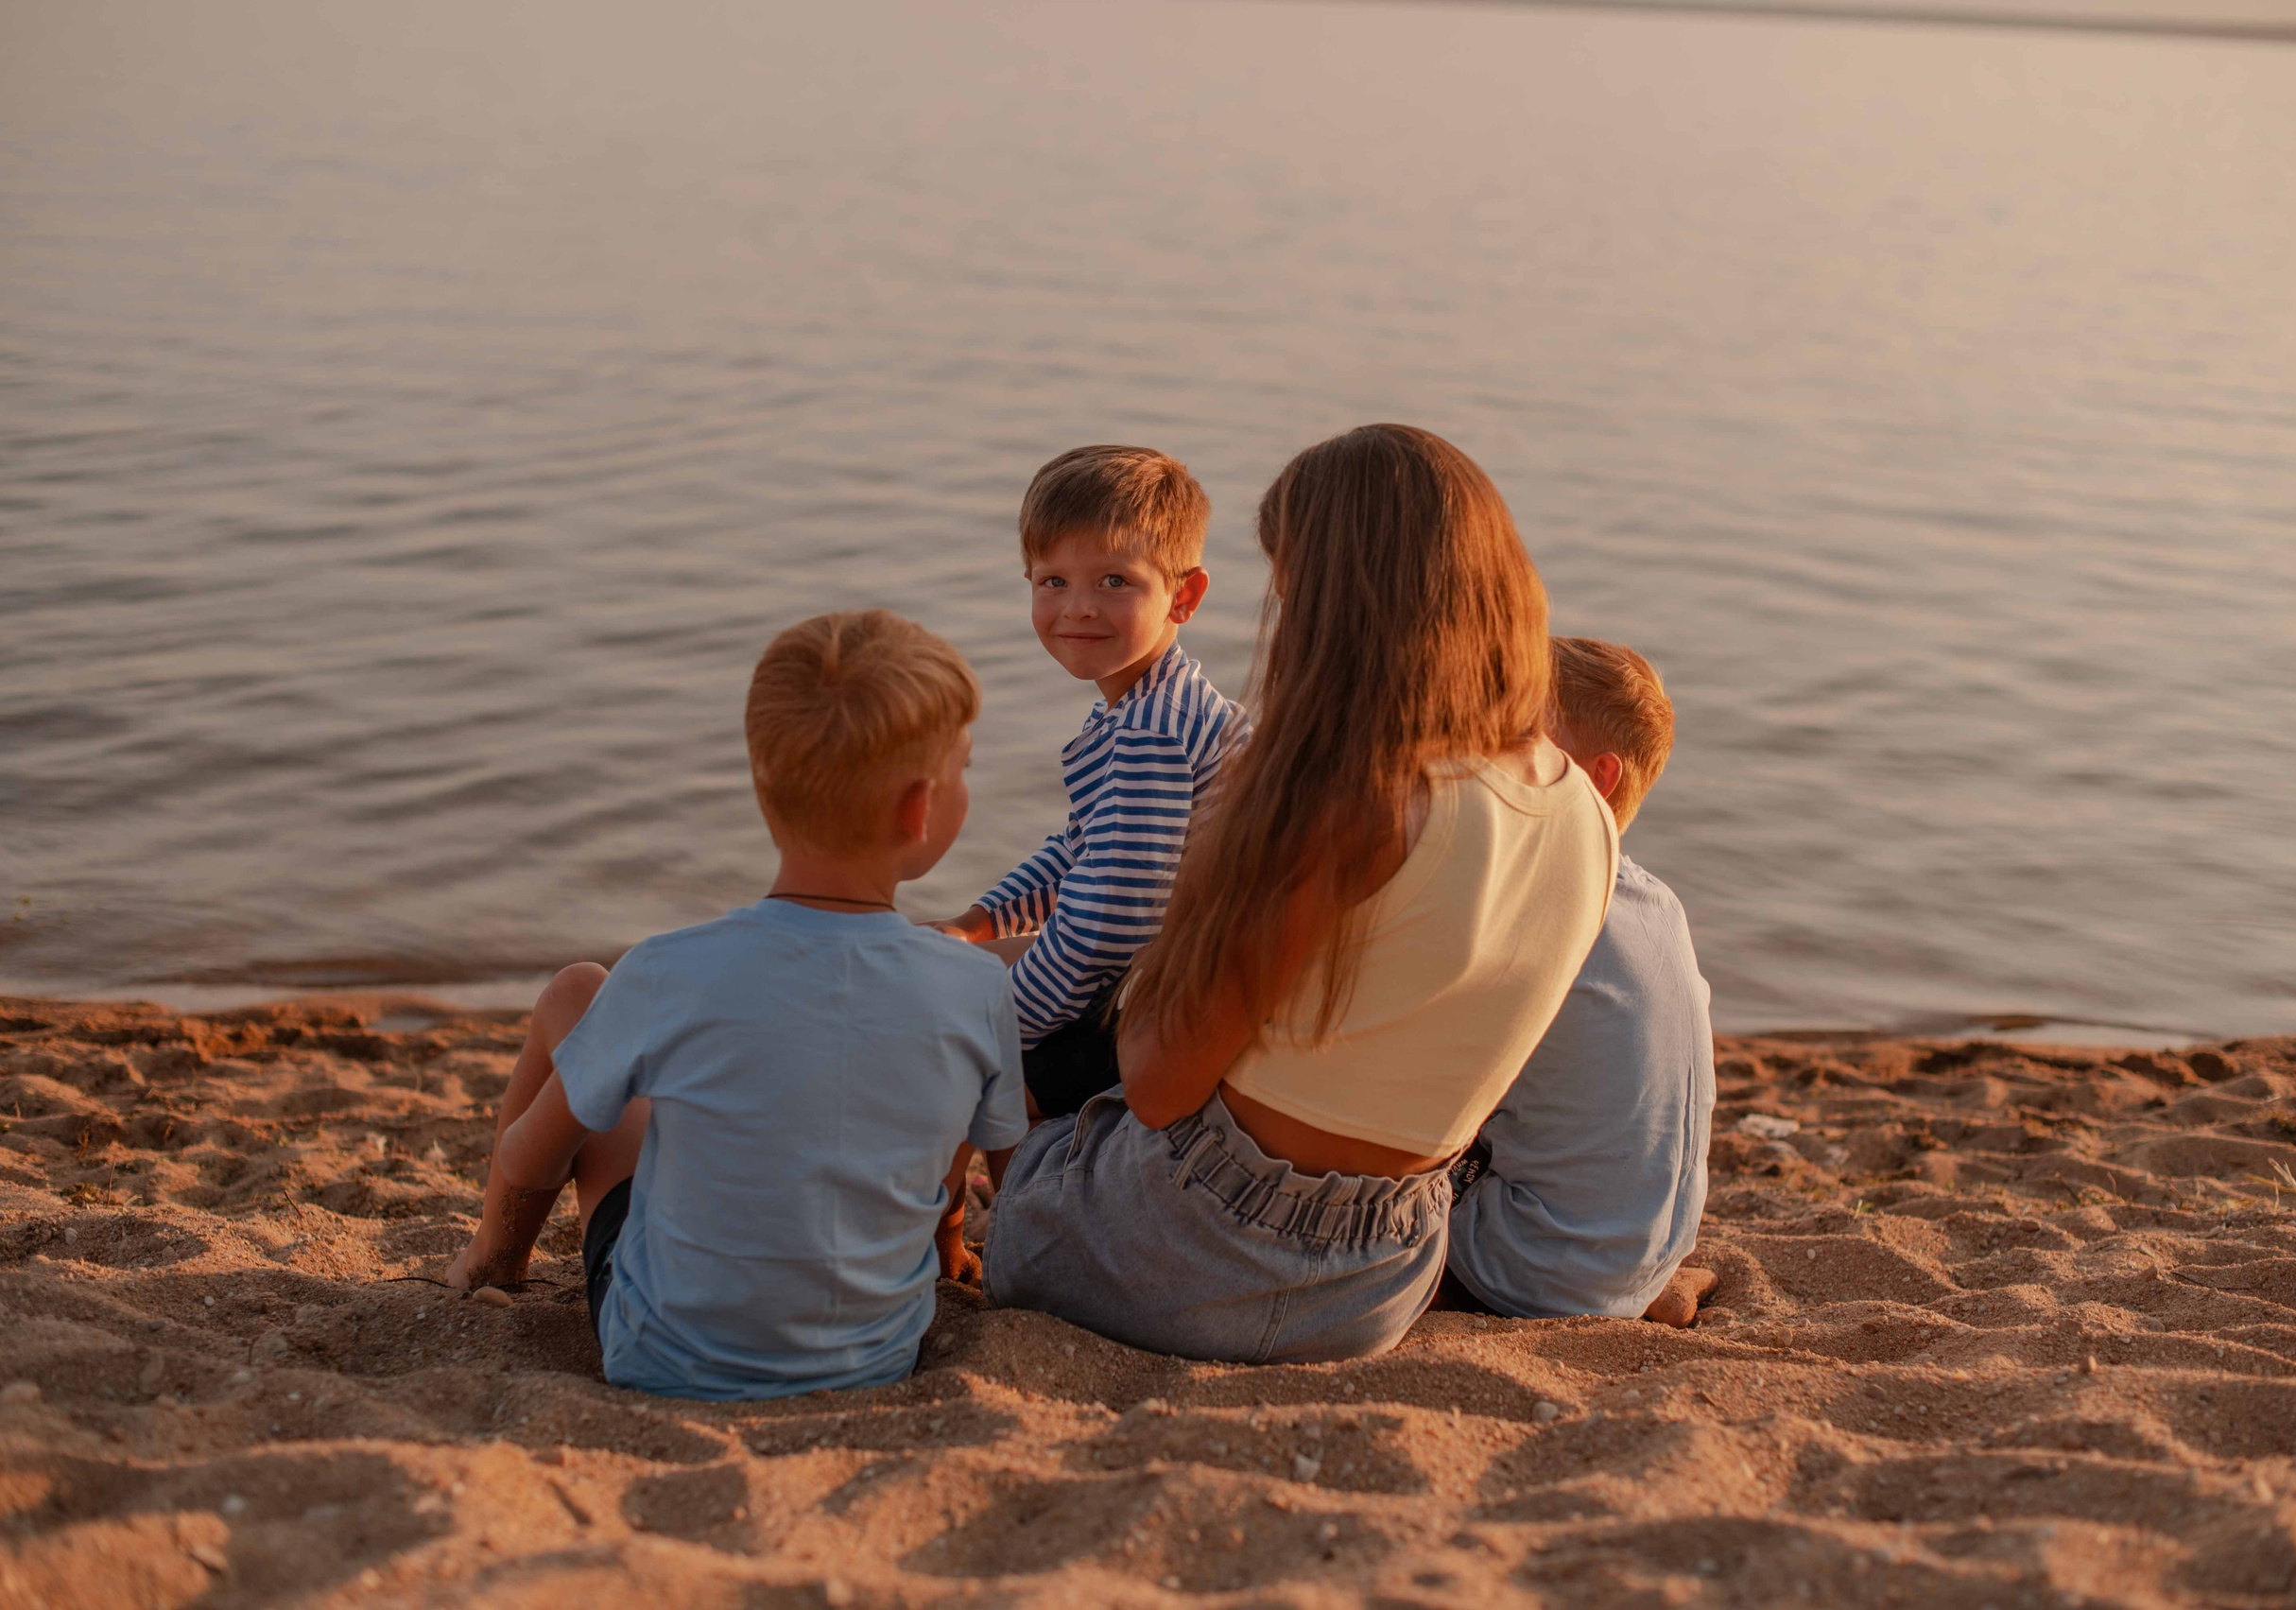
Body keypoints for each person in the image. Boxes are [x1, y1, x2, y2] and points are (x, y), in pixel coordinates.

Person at [982, 424, 1616, 1363]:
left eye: (1288, 589)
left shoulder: (1346, 799)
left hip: (1193, 1249)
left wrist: (1199, 887)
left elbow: (1157, 1087)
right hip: (1382, 1273)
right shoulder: (1578, 809)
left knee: (968, 1011)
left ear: (1338, 603)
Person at [445, 611, 1026, 1399]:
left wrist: (511, 1209)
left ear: (764, 785)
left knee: (578, 993)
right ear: (919, 809)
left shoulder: (666, 971)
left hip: (662, 1352)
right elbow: (973, 1180)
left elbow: (526, 1156)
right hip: (875, 1356)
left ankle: (493, 1260)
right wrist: (952, 1246)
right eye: (964, 767)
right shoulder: (977, 988)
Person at [931, 445, 1246, 1118]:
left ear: (1183, 596)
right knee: (959, 974)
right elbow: (1083, 850)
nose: (1077, 608)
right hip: (1163, 970)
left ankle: (992, 1212)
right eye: (1053, 583)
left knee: (958, 1044)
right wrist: (979, 921)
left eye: (1113, 582)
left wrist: (1007, 1022)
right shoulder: (1156, 704)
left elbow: (1108, 922)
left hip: (1172, 1005)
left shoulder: (1148, 736)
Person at [1437, 638, 1718, 1326]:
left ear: (1597, 779)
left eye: (1521, 738)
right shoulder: (1658, 903)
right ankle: (1639, 1290)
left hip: (1528, 1269)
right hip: (1647, 1255)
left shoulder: (1541, 903)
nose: (1488, 752)